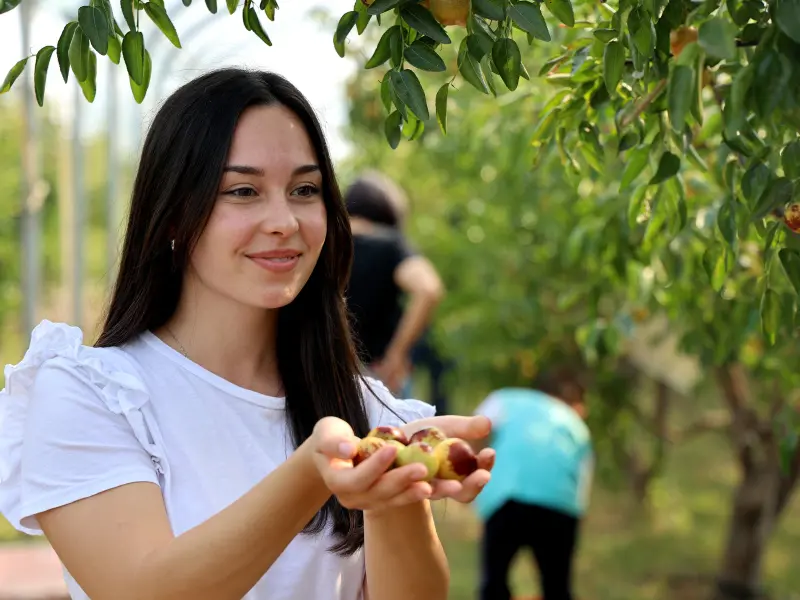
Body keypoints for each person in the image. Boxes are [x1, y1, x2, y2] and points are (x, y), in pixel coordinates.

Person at [0, 69, 495, 600]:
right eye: (243, 191)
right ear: (171, 215)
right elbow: (140, 590)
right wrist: (313, 470)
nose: (284, 220)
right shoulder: (92, 392)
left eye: (305, 190)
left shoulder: (371, 417)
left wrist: (392, 492)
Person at [471, 365, 594, 600]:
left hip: (507, 497)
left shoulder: (505, 398)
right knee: (557, 587)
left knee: (494, 583)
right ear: (575, 403)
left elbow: (474, 431)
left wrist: (473, 474)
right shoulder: (576, 425)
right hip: (559, 506)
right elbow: (583, 485)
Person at [344, 172, 444, 396]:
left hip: (321, 374)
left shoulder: (321, 243)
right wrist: (397, 355)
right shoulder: (390, 245)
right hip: (379, 377)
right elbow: (428, 288)